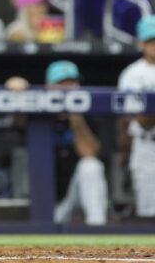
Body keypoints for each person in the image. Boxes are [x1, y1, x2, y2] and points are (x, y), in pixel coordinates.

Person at [46, 61, 108, 226]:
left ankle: (96, 226)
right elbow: (18, 121)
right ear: (48, 87)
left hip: (75, 192)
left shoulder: (87, 114)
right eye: (61, 83)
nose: (68, 89)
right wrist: (17, 86)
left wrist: (75, 115)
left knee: (90, 165)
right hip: (47, 199)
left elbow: (88, 152)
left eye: (72, 83)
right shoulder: (38, 114)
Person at [117, 15, 155, 218]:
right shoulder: (132, 74)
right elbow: (140, 118)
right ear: (141, 43)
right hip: (147, 145)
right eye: (151, 40)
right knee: (149, 213)